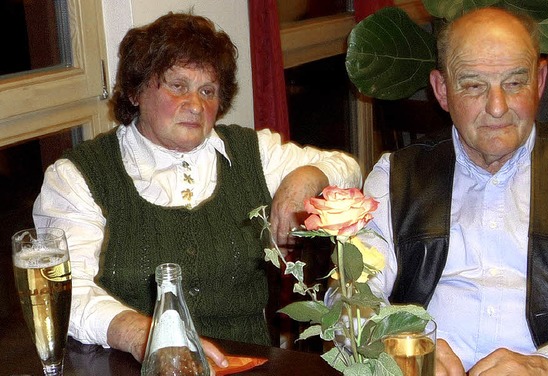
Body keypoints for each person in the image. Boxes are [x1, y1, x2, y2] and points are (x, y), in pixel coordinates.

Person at [32, 12, 361, 368]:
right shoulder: (78, 176)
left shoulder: (252, 153)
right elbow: (68, 294)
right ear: (135, 90)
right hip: (133, 368)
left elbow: (349, 170)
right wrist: (146, 336)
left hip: (245, 365)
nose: (196, 105)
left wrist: (307, 177)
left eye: (208, 91)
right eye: (178, 86)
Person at [361, 7, 548, 376]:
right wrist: (395, 341)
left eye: (514, 83)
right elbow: (352, 293)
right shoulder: (395, 176)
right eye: (474, 85)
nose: (497, 108)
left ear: (540, 83)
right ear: (442, 90)